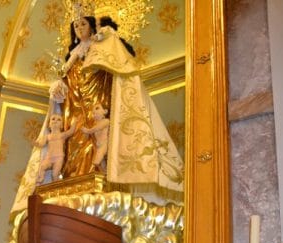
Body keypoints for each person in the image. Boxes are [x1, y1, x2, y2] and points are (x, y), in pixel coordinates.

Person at [11, 13, 184, 215]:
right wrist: (59, 87)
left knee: (95, 142)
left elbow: (116, 66)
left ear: (92, 26)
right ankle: (72, 178)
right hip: (73, 106)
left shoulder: (102, 46)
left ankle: (97, 174)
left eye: (83, 23)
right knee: (74, 143)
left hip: (96, 102)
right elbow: (64, 80)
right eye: (75, 25)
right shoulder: (73, 54)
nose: (79, 28)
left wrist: (107, 38)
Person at [36, 115, 77, 183]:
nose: (55, 121)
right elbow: (42, 144)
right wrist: (37, 144)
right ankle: (41, 177)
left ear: (61, 125)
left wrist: (74, 122)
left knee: (55, 174)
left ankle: (56, 186)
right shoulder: (48, 136)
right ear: (49, 124)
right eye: (53, 119)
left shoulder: (62, 135)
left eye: (58, 120)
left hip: (58, 157)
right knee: (42, 166)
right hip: (49, 157)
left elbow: (71, 131)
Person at [80, 103, 110, 171]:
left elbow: (97, 128)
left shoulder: (106, 121)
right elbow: (87, 137)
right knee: (102, 166)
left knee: (96, 161)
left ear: (105, 111)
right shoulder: (95, 125)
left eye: (97, 108)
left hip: (105, 144)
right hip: (99, 146)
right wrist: (85, 132)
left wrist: (88, 131)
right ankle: (104, 175)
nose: (94, 111)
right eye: (93, 111)